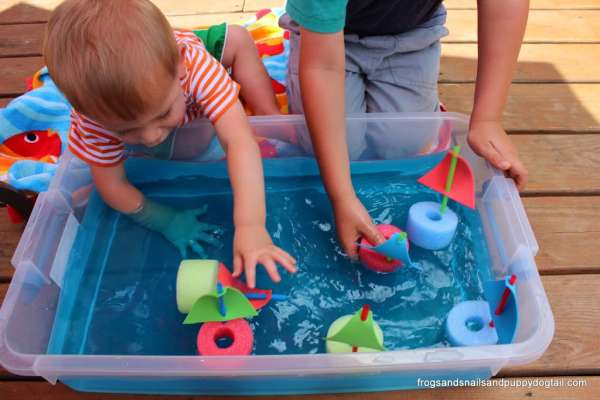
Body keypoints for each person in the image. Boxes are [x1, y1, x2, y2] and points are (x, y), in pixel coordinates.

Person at [44, 0, 296, 288]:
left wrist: (250, 225)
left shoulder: (197, 67)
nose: (151, 137)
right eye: (127, 130)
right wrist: (165, 220)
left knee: (238, 38)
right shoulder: (93, 117)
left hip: (190, 54)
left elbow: (240, 141)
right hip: (155, 71)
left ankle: (269, 114)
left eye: (162, 114)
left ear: (179, 68)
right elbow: (111, 185)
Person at [280, 0, 529, 259]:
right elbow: (322, 67)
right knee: (337, 150)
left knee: (403, 145)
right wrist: (341, 197)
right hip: (326, 38)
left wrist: (487, 119)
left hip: (412, 37)